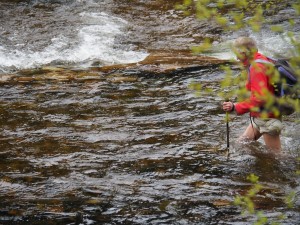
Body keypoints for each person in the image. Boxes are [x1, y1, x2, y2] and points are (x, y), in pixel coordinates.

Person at [223, 36, 283, 153]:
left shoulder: (257, 67)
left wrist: (235, 107)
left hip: (267, 119)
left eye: (238, 54)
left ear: (245, 53)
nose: (236, 57)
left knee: (276, 158)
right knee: (241, 144)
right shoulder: (262, 59)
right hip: (260, 117)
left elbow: (260, 98)